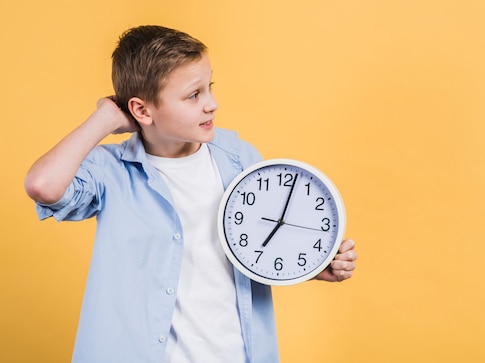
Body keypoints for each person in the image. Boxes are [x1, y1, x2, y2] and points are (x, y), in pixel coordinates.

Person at [24, 25, 357, 363]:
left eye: (209, 87)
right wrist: (106, 117)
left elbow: (262, 243)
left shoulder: (241, 159)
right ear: (141, 111)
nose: (212, 104)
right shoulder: (111, 172)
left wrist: (311, 265)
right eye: (193, 95)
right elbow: (42, 185)